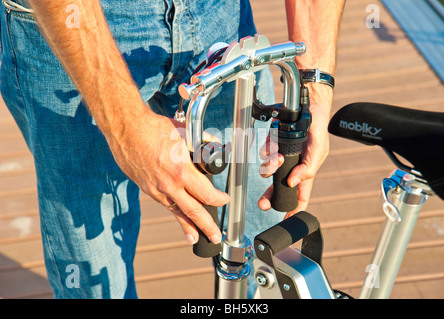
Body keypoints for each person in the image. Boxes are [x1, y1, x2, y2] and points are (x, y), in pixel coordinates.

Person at [0, 0, 345, 298]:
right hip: (77, 24)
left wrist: (314, 85)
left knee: (261, 236)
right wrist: (125, 126)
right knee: (94, 268)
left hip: (218, 18)